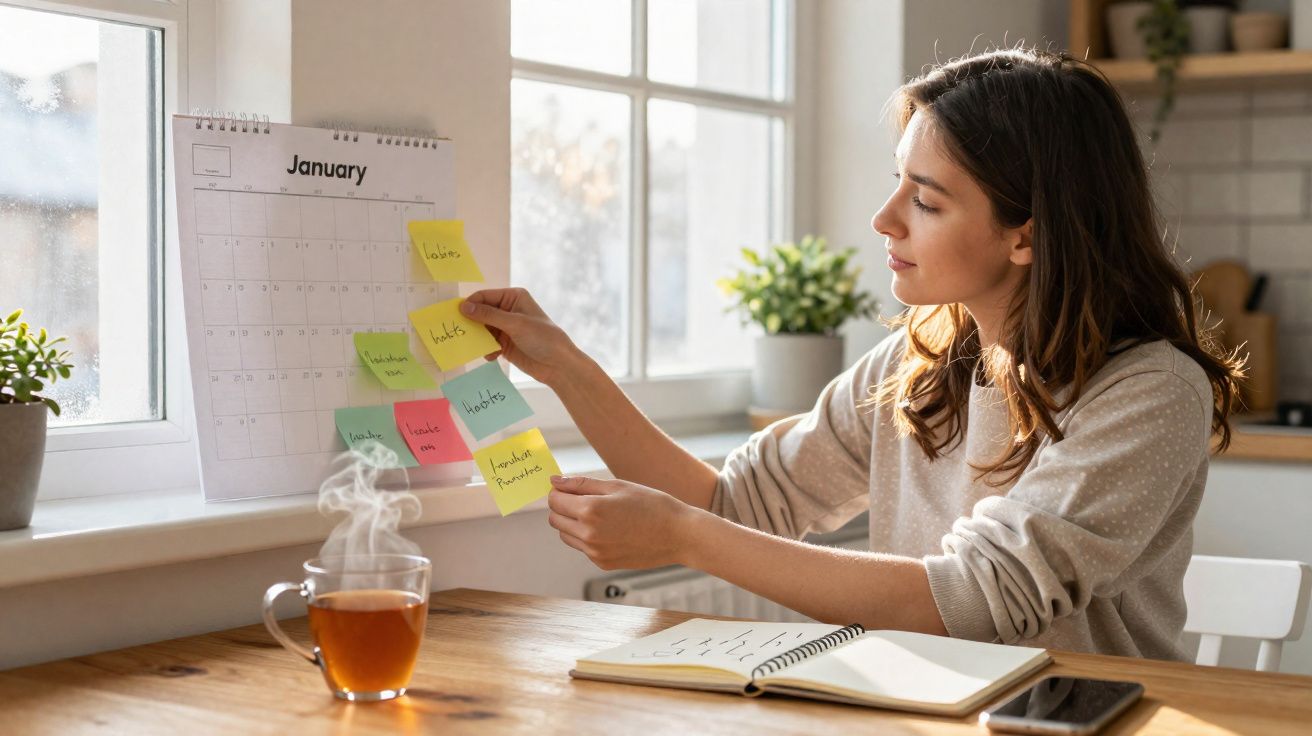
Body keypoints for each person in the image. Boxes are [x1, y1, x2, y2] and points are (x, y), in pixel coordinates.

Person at [460, 47, 1244, 661]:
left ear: (1027, 233)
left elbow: (975, 600)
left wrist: (679, 538)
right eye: (897, 182)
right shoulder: (921, 359)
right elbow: (733, 506)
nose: (884, 218)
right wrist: (565, 366)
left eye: (926, 200)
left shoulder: (1151, 391)